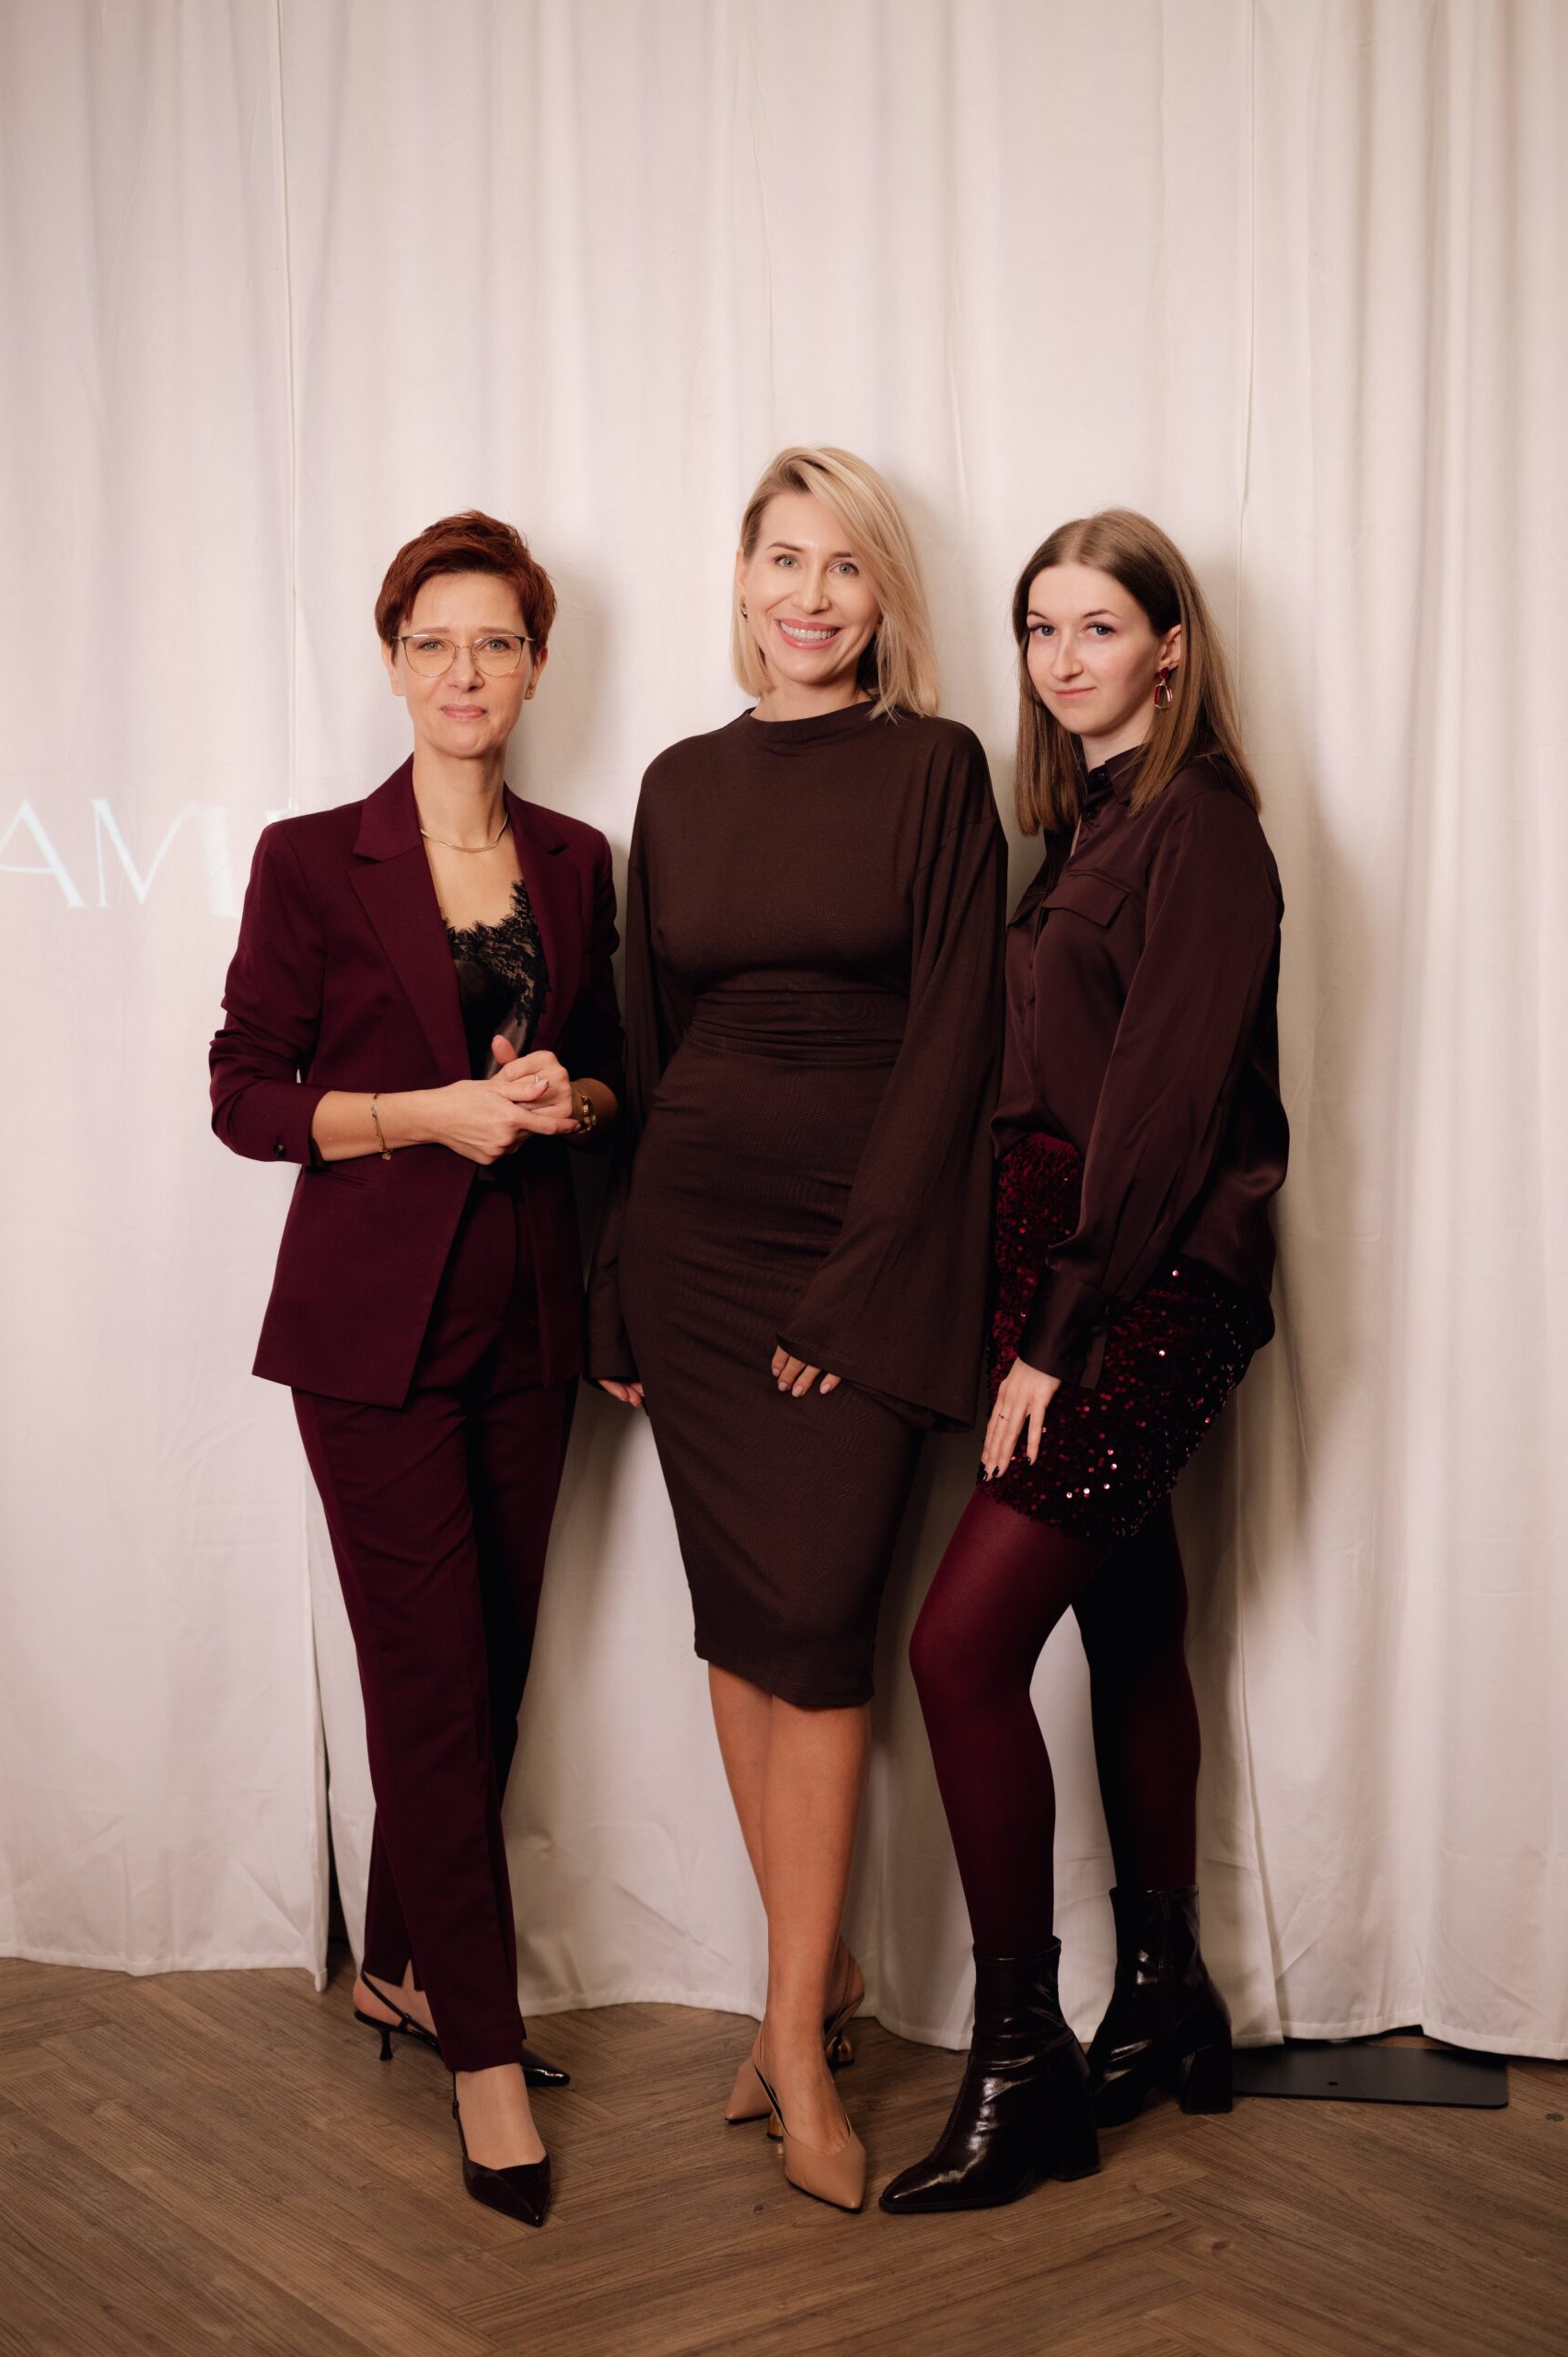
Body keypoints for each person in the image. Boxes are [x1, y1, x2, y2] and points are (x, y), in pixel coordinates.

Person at [589, 447, 1005, 2214]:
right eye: (783, 559)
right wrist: (617, 1275)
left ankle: (793, 2035)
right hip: (691, 1249)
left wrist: (862, 1291)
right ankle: (803, 1999)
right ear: (744, 579)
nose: (810, 595)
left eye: (843, 565)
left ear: (882, 592)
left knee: (823, 1631)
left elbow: (962, 1041)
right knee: (746, 1629)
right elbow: (645, 1040)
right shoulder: (679, 785)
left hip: (861, 1249)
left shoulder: (937, 769)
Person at [210, 511, 623, 2230]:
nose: (466, 672)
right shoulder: (315, 860)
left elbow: (610, 1073)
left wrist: (562, 1098)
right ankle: (481, 2051)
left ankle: (397, 1962)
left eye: (496, 643)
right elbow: (245, 1094)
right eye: (435, 642)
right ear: (393, 662)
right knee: (429, 1682)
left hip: (529, 1327)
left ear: (536, 665)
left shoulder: (578, 859)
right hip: (370, 1340)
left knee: (494, 1673)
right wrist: (423, 1116)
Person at [881, 509, 1287, 2215]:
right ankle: (1169, 1999)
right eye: (1039, 629)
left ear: (1170, 649)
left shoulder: (1205, 827)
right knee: (1129, 1621)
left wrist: (1060, 1335)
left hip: (1136, 1284)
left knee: (958, 1651)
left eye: (1098, 627)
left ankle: (1021, 2067)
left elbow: (1167, 1107)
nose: (1061, 658)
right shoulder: (1092, 824)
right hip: (1066, 1268)